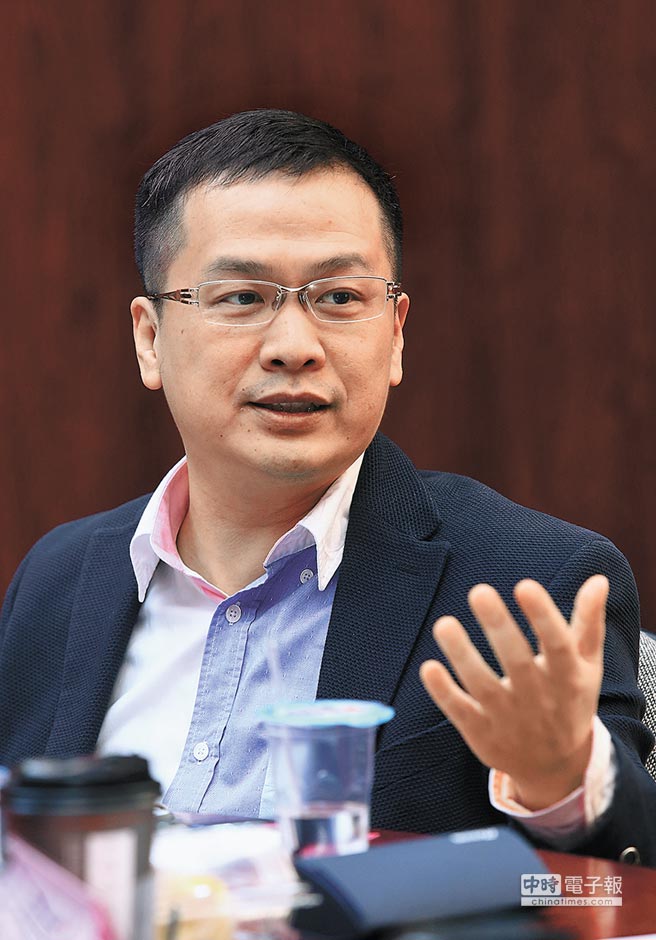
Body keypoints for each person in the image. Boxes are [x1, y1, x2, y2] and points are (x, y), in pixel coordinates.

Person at [1, 110, 655, 865]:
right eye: (242, 297)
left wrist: (564, 784)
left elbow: (626, 878)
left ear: (395, 333)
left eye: (340, 297)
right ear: (150, 339)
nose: (293, 347)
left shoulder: (527, 584)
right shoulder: (58, 581)